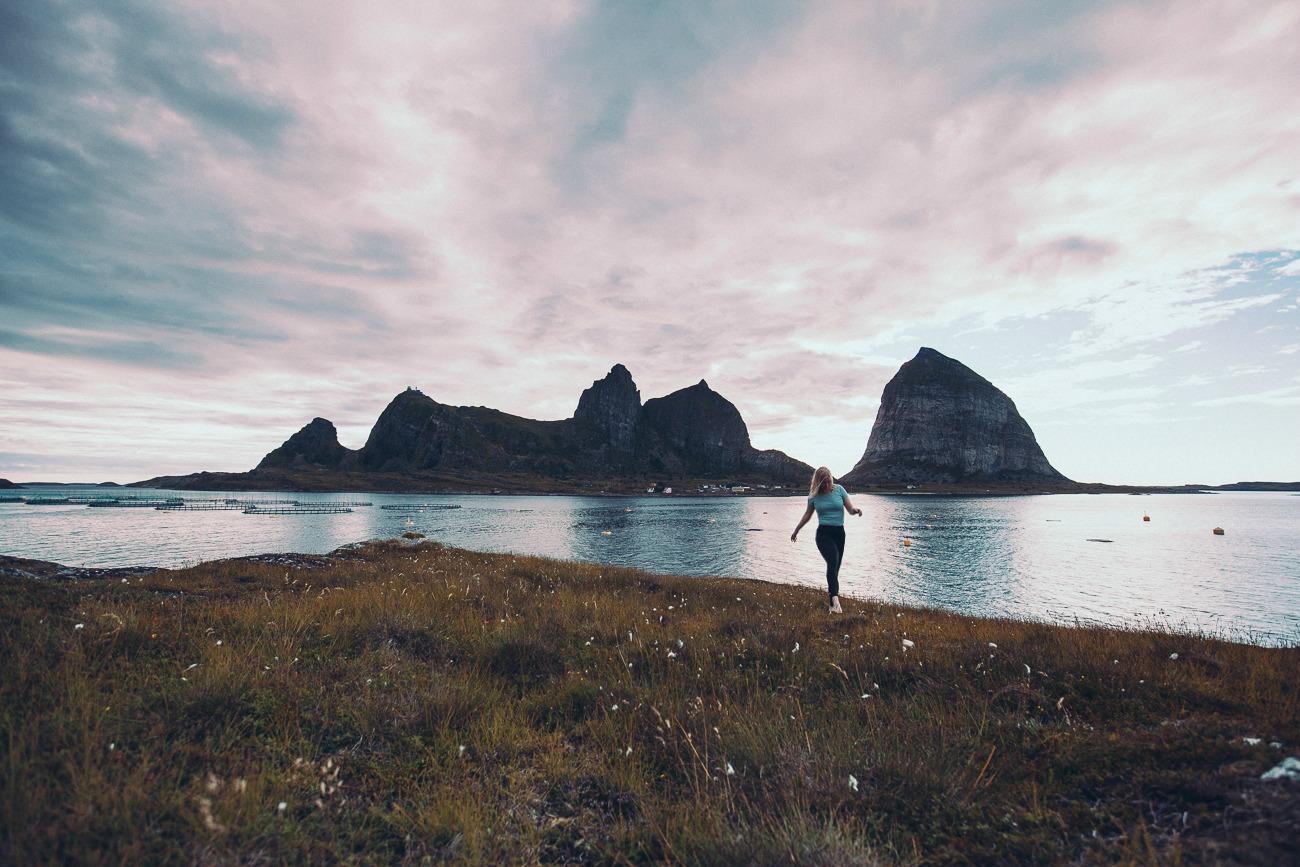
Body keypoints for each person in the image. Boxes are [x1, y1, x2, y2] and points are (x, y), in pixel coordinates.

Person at [790, 467, 861, 613]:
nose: (827, 483)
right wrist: (796, 530)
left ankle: (831, 605)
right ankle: (835, 600)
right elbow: (807, 515)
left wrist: (856, 511)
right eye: (824, 481)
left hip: (839, 533)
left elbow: (850, 509)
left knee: (835, 569)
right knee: (833, 561)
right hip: (823, 534)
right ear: (819, 481)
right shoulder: (813, 496)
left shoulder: (839, 489)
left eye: (828, 479)